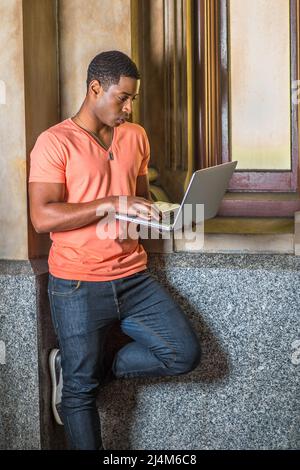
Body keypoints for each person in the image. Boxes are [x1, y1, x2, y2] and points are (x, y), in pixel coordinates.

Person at [28, 50, 201, 450]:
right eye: (121, 97)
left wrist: (166, 214)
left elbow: (138, 200)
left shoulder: (135, 136)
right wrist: (109, 202)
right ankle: (77, 373)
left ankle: (77, 367)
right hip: (76, 284)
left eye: (132, 99)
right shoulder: (54, 142)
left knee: (183, 354)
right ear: (94, 88)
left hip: (133, 278)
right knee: (80, 394)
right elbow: (43, 217)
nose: (128, 107)